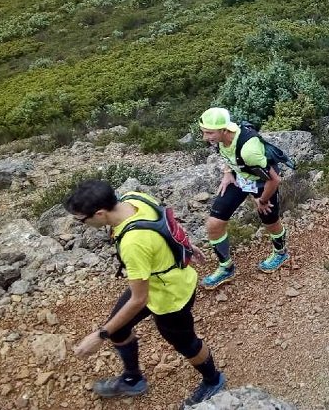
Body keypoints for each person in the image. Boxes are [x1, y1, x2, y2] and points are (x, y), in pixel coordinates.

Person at [66, 180, 226, 406]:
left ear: (100, 213)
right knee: (118, 330)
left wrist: (99, 336)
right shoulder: (134, 198)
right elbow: (166, 224)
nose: (81, 224)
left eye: (81, 220)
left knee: (186, 343)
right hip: (155, 282)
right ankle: (132, 379)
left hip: (171, 296)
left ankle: (213, 380)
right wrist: (185, 245)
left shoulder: (133, 243)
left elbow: (139, 299)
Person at [198, 107, 289, 289]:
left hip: (262, 183)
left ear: (224, 129)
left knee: (270, 222)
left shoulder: (249, 150)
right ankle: (226, 267)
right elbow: (228, 153)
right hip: (240, 178)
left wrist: (262, 200)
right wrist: (227, 172)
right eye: (204, 132)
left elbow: (274, 179)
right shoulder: (222, 138)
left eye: (209, 133)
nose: (205, 137)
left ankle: (280, 252)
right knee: (214, 224)